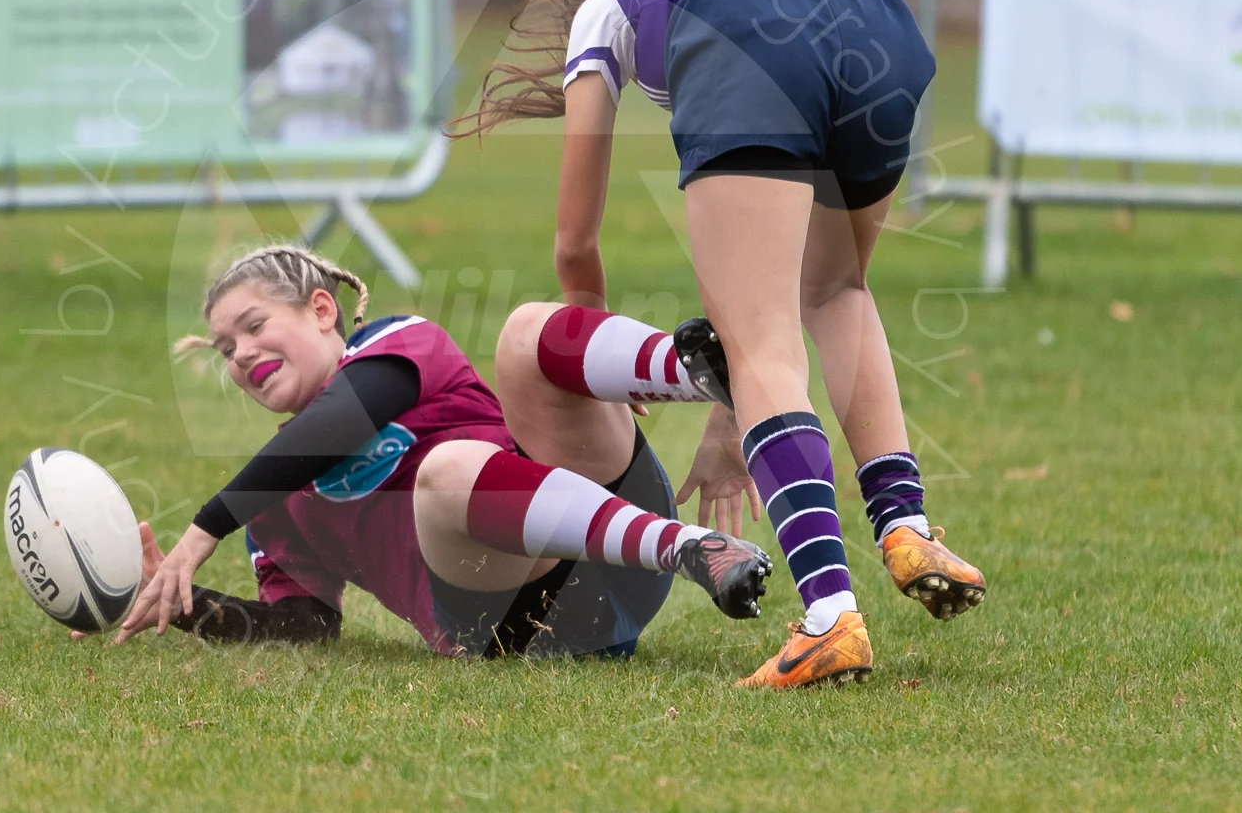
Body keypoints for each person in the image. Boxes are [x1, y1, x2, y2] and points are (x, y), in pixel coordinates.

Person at [451, 0, 986, 688]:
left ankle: (829, 618)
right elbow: (804, 30)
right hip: (883, 32)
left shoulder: (608, 2)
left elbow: (575, 239)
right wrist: (728, 414)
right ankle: (905, 526)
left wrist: (589, 349)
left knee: (762, 340)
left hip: (746, 37)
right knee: (837, 289)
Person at [105, 243, 772, 660]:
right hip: (521, 624)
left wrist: (205, 527)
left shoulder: (400, 343)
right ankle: (686, 546)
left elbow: (344, 417)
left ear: (320, 310)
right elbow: (303, 628)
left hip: (606, 545)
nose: (241, 354)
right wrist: (180, 602)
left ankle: (708, 371)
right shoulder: (274, 501)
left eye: (253, 327)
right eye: (225, 350)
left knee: (520, 333)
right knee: (446, 473)